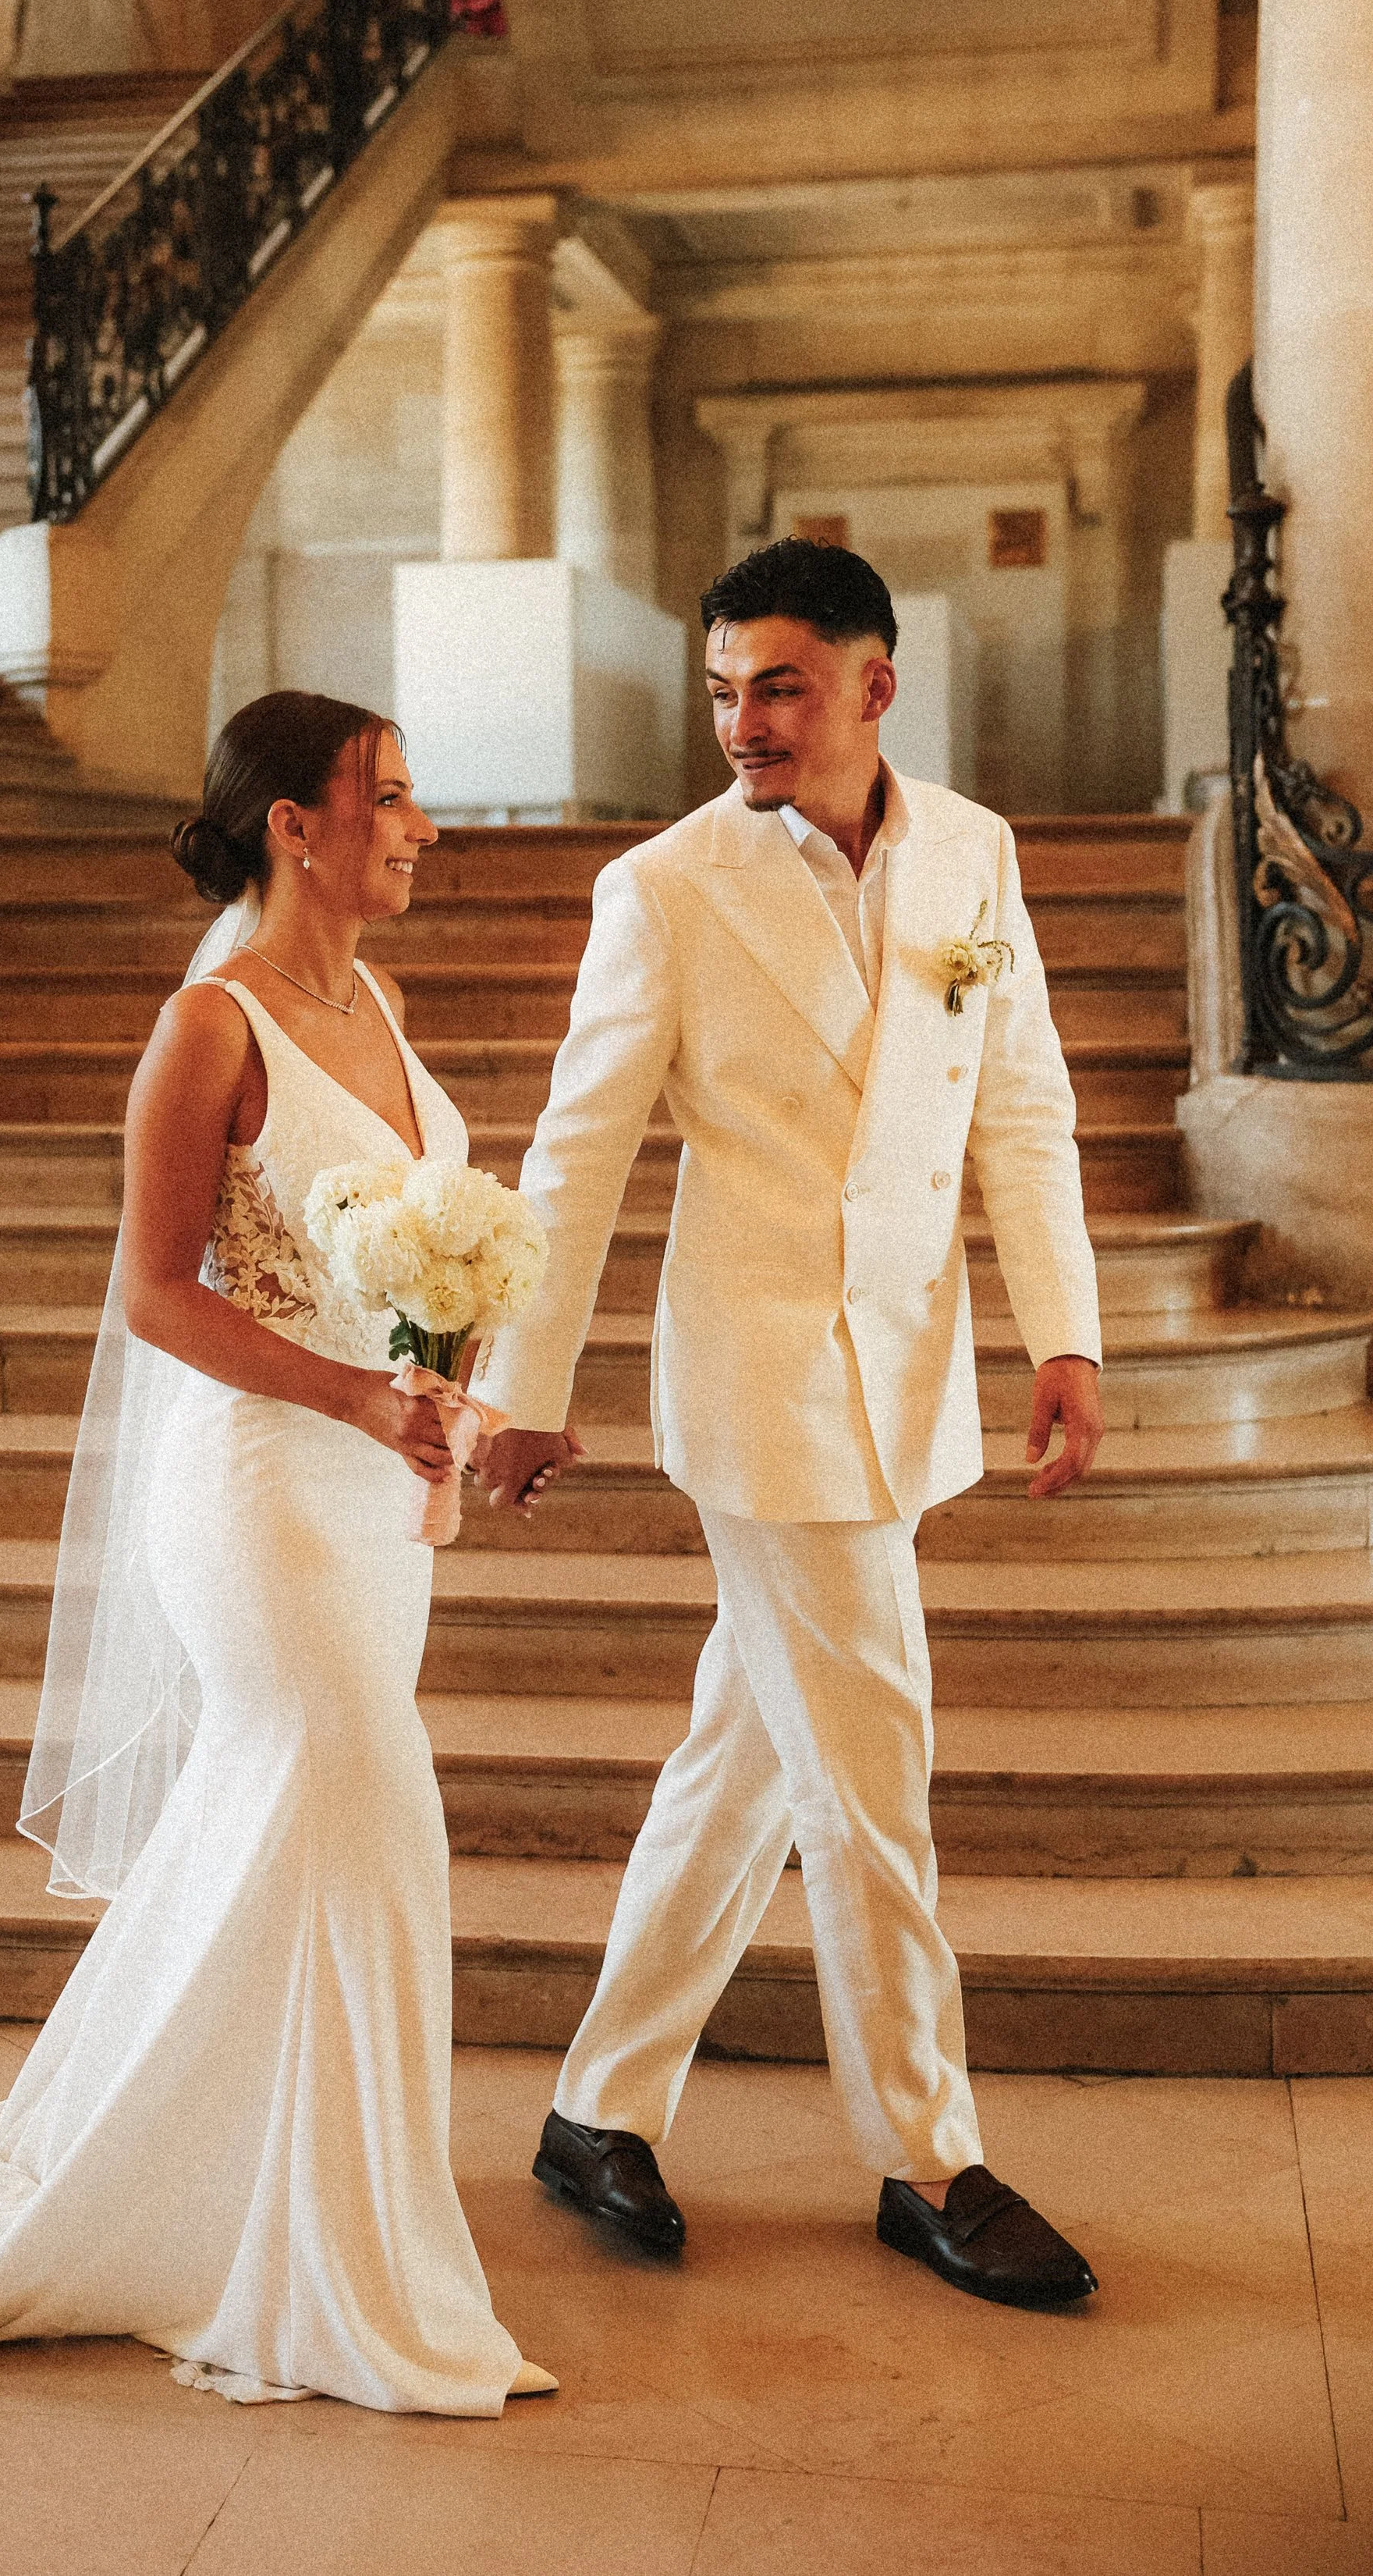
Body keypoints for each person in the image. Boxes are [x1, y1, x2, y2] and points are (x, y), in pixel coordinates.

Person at [0, 691, 554, 2412]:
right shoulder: (206, 1029)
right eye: (391, 796)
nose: (419, 825)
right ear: (296, 822)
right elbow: (151, 1297)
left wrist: (454, 1402)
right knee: (367, 1815)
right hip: (259, 1492)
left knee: (272, 1821)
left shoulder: (372, 1001)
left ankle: (199, 2169)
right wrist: (360, 1404)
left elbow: (399, 1278)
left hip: (371, 1492)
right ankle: (329, 2252)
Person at [477, 540, 1105, 2312]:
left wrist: (1060, 1331)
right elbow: (579, 1152)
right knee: (871, 1781)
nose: (741, 723)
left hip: (904, 1378)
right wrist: (526, 1388)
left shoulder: (972, 852)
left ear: (869, 690)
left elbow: (1022, 1112)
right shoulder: (662, 888)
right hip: (760, 1392)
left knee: (743, 1754)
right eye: (720, 690)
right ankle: (929, 2157)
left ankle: (596, 2106)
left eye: (776, 687)